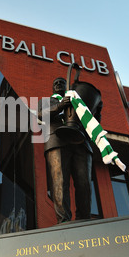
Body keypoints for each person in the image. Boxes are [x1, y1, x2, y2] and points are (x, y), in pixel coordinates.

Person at [38, 77, 102, 223]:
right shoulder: (47, 101)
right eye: (55, 83)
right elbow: (41, 115)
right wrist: (60, 106)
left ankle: (84, 219)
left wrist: (98, 109)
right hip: (56, 141)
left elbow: (93, 123)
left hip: (80, 142)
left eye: (61, 82)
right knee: (60, 182)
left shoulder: (78, 101)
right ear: (52, 87)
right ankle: (63, 220)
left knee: (84, 184)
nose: (58, 84)